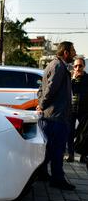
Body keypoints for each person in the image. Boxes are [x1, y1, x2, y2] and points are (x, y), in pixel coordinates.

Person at [37, 41, 77, 190]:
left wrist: (41, 103)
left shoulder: (53, 65)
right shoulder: (59, 66)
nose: (74, 53)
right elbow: (49, 90)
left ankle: (41, 173)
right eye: (73, 50)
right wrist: (41, 104)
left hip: (51, 116)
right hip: (56, 116)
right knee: (58, 149)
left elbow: (41, 89)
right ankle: (57, 180)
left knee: (49, 149)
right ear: (65, 52)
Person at [68, 57, 88, 162]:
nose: (77, 68)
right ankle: (70, 155)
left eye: (80, 66)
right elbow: (67, 91)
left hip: (84, 110)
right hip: (71, 109)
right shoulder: (69, 78)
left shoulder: (87, 78)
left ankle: (83, 155)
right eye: (75, 66)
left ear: (84, 66)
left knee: (84, 134)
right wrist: (73, 79)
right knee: (70, 133)